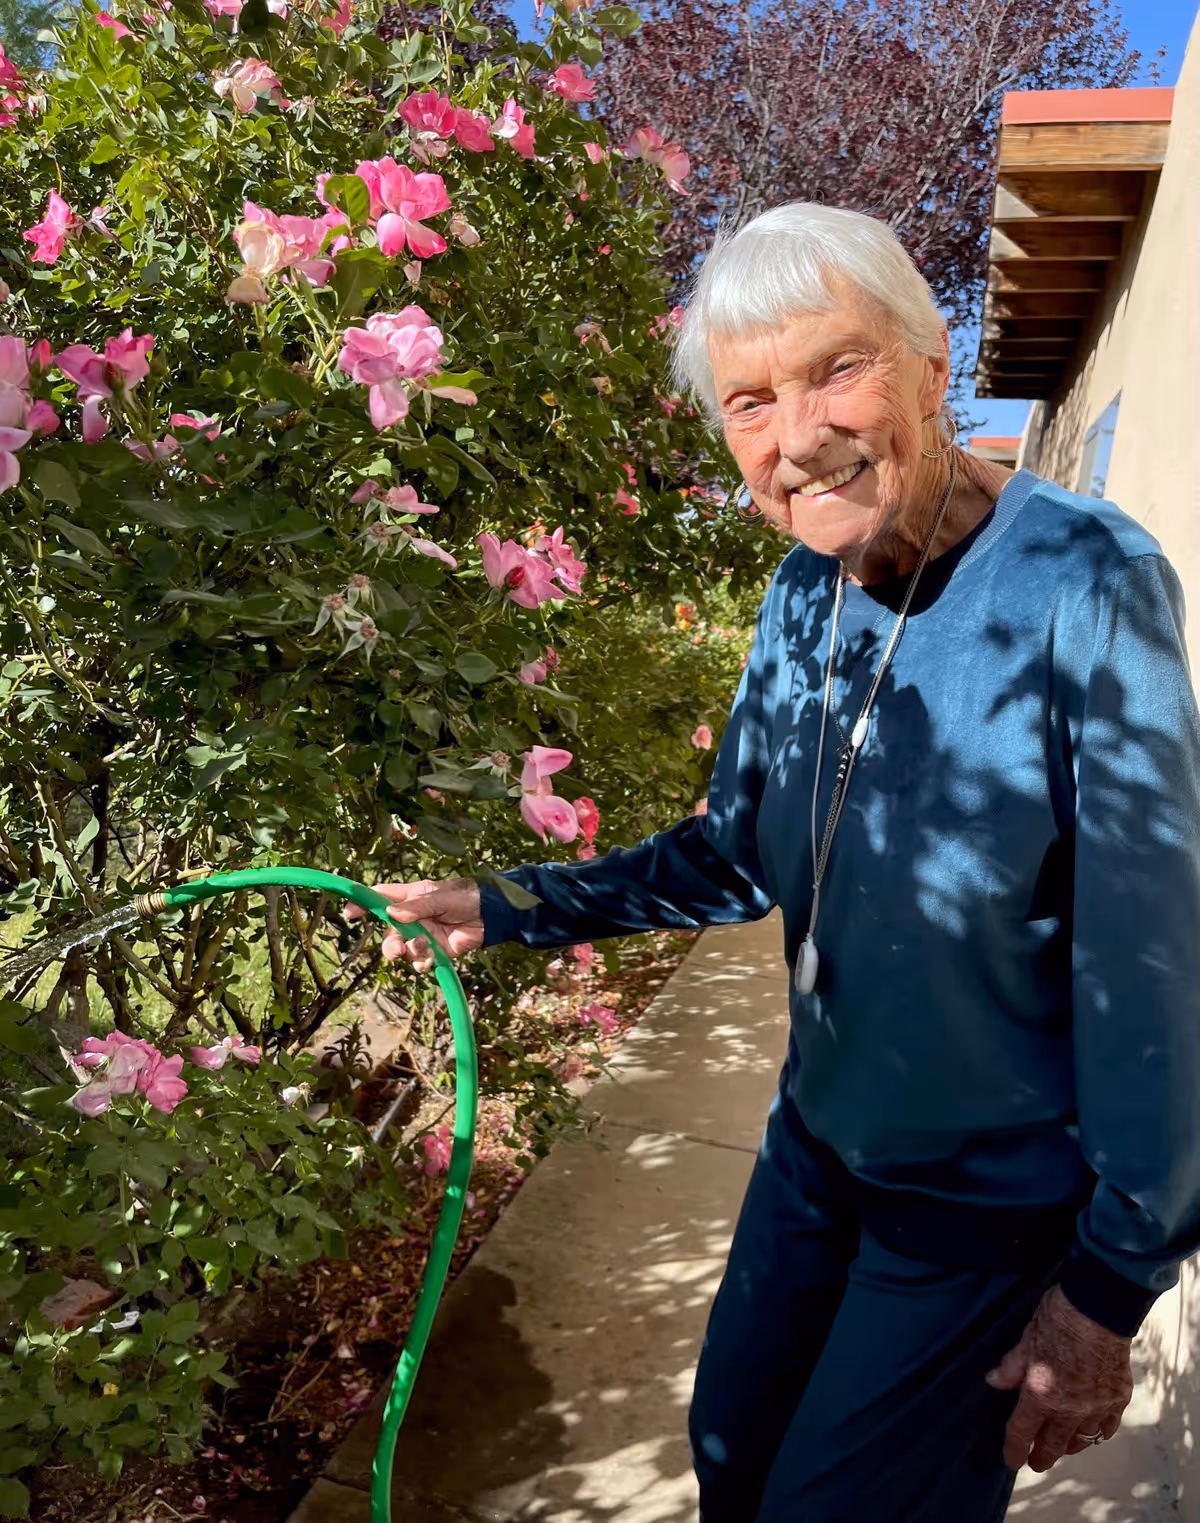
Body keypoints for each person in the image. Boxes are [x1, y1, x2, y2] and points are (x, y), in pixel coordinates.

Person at [360, 203, 1200, 1522]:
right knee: (733, 1453)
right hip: (817, 1149)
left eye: (836, 370)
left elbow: (1156, 964)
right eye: (751, 400)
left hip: (978, 1210)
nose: (797, 435)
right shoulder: (801, 593)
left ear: (933, 365)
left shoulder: (1085, 586)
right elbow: (739, 854)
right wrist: (509, 904)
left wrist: (1105, 1290)